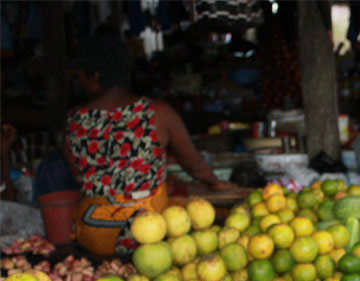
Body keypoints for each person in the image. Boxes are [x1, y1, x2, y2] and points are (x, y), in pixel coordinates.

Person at [65, 32, 234, 256]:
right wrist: (216, 183)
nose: (80, 80)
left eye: (80, 75)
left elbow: (80, 175)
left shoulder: (74, 121)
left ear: (94, 75)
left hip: (96, 232)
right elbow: (194, 165)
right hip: (150, 232)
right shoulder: (157, 112)